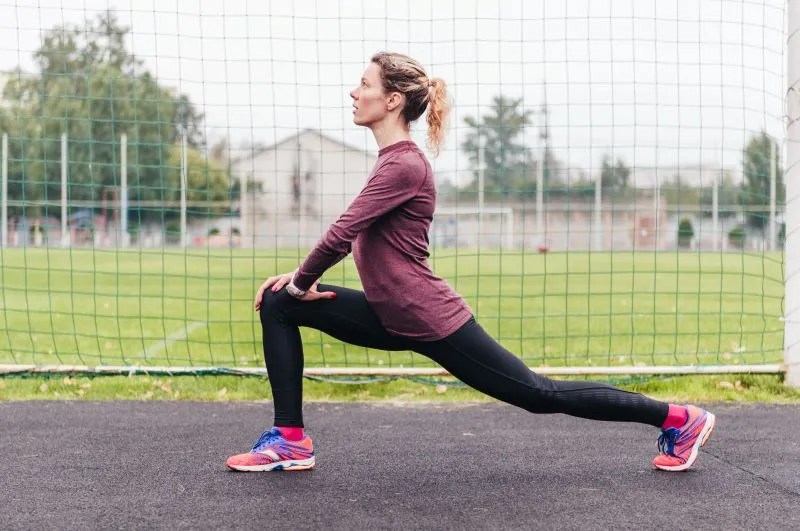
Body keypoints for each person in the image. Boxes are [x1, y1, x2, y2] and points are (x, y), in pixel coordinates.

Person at [225, 52, 716, 473]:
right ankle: (289, 439)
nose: (354, 92)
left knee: (540, 395)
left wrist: (301, 281)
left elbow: (341, 233)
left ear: (392, 100)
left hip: (425, 317)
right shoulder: (391, 160)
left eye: (365, 84)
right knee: (277, 304)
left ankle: (679, 418)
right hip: (389, 311)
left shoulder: (404, 164)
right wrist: (292, 286)